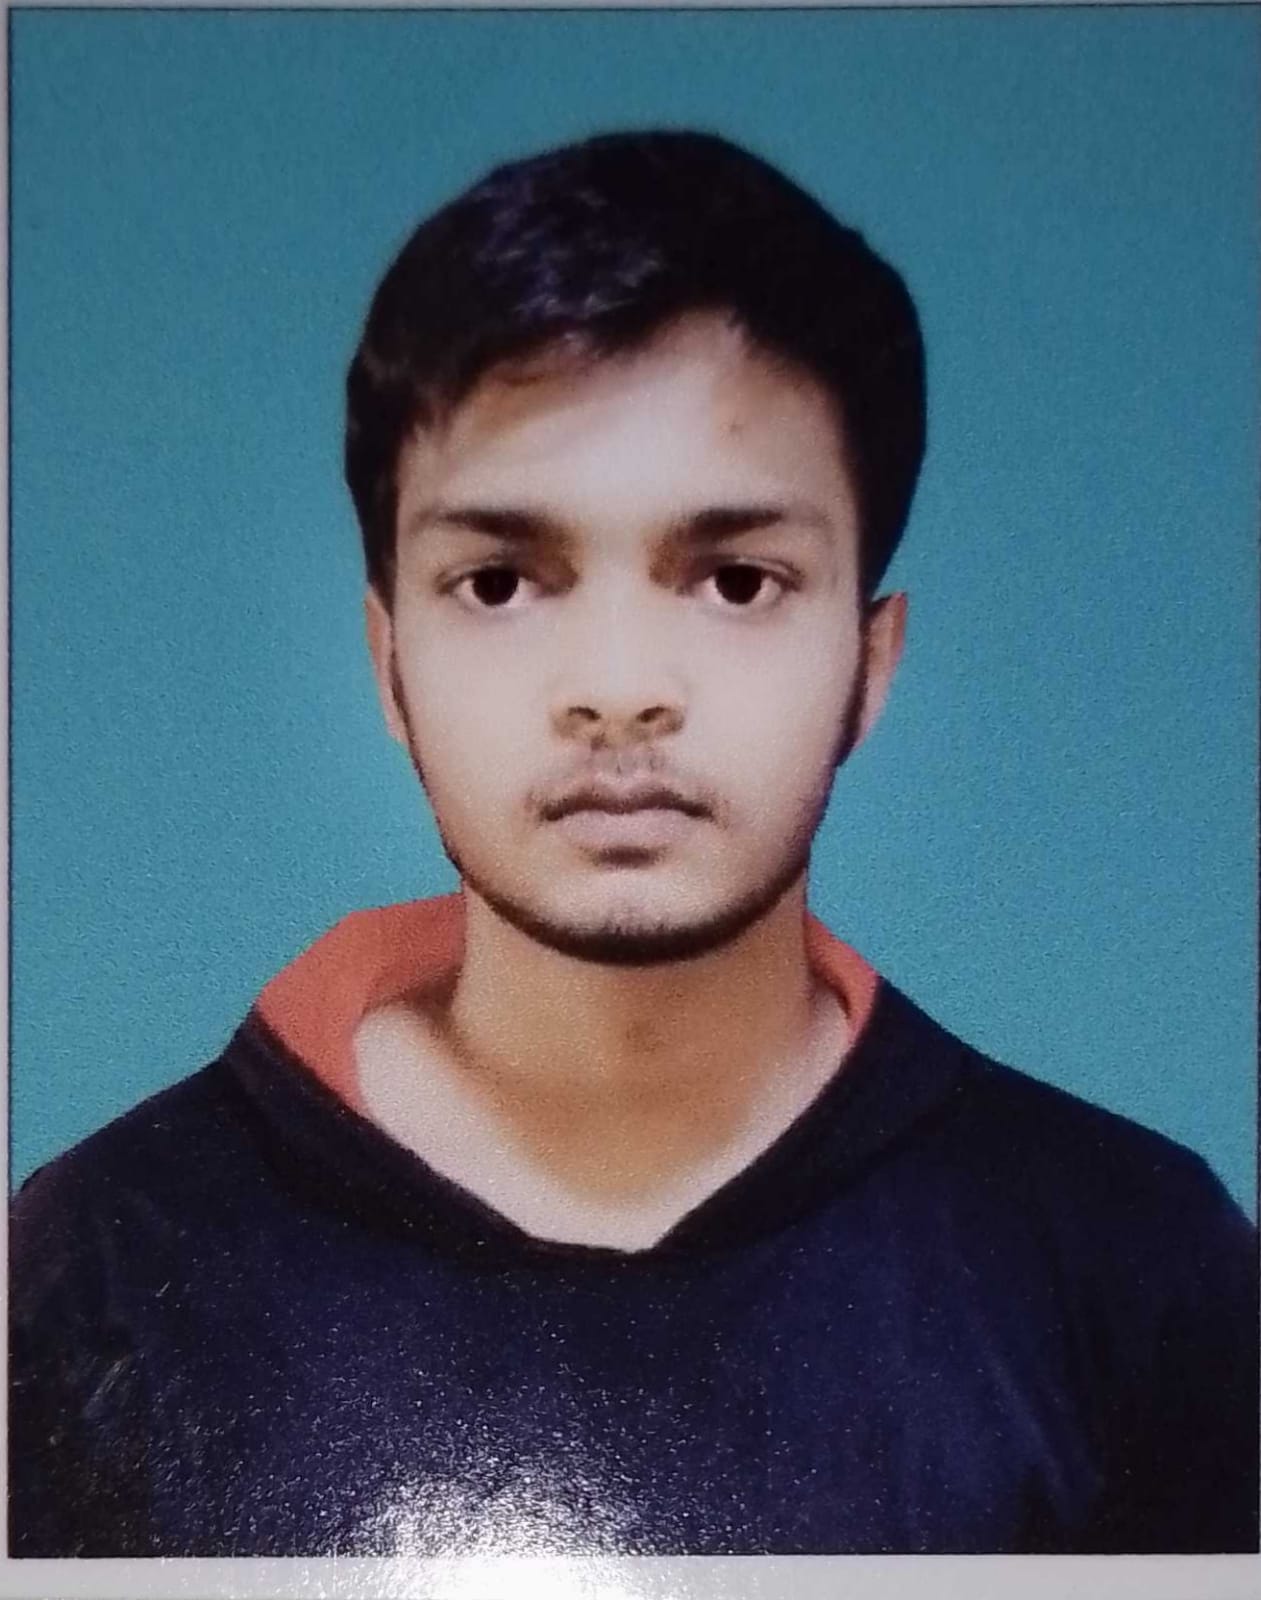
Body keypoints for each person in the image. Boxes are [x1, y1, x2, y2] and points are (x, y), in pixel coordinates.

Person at [10, 129, 1256, 1559]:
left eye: (737, 580)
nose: (618, 688)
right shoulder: (93, 1266)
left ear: (872, 659)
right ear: (388, 663)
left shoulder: (1137, 1270)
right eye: (499, 581)